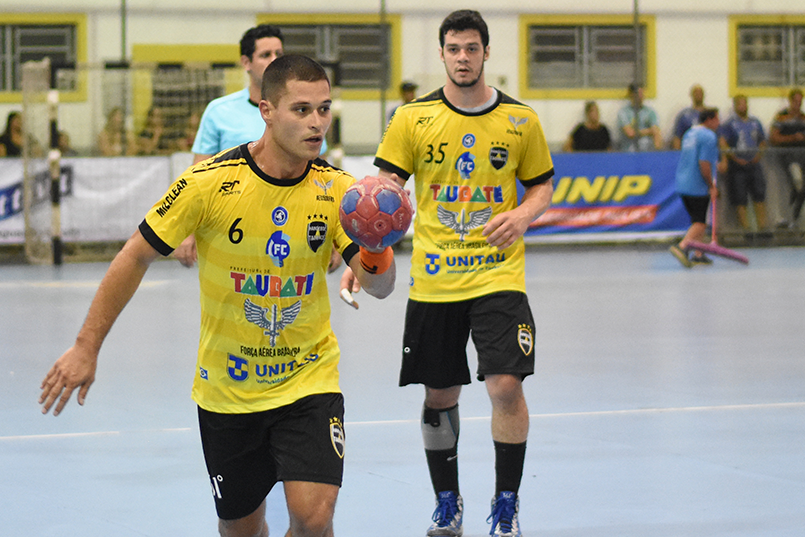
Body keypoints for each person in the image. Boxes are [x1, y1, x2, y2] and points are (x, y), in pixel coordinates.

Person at [39, 54, 396, 537]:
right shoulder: (209, 183)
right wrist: (86, 345)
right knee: (241, 530)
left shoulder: (339, 191)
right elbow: (134, 255)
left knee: (314, 520)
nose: (316, 122)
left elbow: (379, 287)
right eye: (302, 109)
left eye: (324, 109)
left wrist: (376, 244)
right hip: (228, 392)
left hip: (309, 382)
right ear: (267, 110)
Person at [371, 10, 554, 537]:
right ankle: (447, 503)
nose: (463, 58)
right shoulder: (412, 118)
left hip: (498, 275)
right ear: (442, 53)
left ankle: (506, 505)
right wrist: (372, 234)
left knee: (504, 385)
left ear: (486, 52)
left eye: (472, 48)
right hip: (434, 280)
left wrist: (522, 215)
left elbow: (541, 185)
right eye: (454, 49)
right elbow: (384, 191)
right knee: (439, 396)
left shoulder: (520, 120)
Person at [175, 24, 334, 269]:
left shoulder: (305, 115)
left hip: (293, 230)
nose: (273, 61)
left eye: (278, 54)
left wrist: (332, 236)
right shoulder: (219, 111)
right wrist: (187, 231)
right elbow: (198, 174)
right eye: (265, 55)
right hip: (233, 235)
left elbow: (321, 174)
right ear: (246, 62)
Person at [669, 108, 725, 268]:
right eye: (716, 119)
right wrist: (711, 186)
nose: (719, 123)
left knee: (697, 219)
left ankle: (699, 253)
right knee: (700, 222)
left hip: (682, 182)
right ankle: (682, 247)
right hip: (697, 185)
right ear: (709, 120)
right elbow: (704, 164)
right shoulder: (708, 136)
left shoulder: (689, 133)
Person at [718, 94, 768, 232]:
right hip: (737, 165)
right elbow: (723, 142)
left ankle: (762, 227)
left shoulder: (755, 122)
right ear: (735, 106)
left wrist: (759, 155)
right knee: (740, 197)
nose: (743, 106)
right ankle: (745, 229)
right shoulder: (729, 124)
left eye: (744, 103)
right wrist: (733, 157)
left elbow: (763, 141)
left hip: (754, 162)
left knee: (759, 194)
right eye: (739, 104)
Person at [769, 88, 805, 222]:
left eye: (800, 102)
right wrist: (793, 138)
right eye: (796, 101)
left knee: (802, 187)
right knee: (797, 181)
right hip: (788, 156)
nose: (798, 105)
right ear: (790, 101)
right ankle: (788, 215)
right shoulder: (782, 116)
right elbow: (773, 138)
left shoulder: (802, 117)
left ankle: (796, 216)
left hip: (802, 156)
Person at [616, 82, 662, 152]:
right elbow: (630, 133)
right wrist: (649, 131)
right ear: (631, 95)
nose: (641, 96)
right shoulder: (623, 113)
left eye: (642, 93)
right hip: (629, 152)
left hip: (648, 152)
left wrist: (658, 153)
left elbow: (656, 132)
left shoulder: (650, 112)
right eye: (638, 93)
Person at [671, 84, 706, 150]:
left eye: (700, 93)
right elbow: (677, 137)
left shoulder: (710, 114)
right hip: (690, 149)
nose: (698, 95)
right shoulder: (684, 115)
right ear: (691, 95)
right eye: (696, 93)